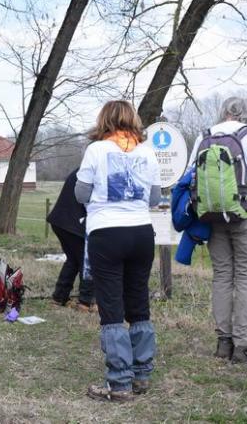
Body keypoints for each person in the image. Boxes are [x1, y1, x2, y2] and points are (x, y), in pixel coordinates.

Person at [75, 100, 161, 402]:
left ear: (104, 121)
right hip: (141, 232)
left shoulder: (97, 150)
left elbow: (81, 193)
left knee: (111, 307)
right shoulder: (147, 152)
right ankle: (142, 374)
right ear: (133, 121)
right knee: (139, 301)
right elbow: (154, 197)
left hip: (107, 233)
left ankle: (119, 382)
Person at [188, 97, 247, 363]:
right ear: (246, 114)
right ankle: (244, 346)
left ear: (223, 113)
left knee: (222, 277)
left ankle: (223, 343)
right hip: (245, 217)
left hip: (212, 218)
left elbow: (191, 175)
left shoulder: (204, 136)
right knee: (246, 278)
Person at [48, 169, 95, 312]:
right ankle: (86, 302)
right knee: (87, 261)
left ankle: (59, 297)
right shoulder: (91, 173)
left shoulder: (80, 170)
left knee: (73, 260)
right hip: (74, 224)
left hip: (60, 222)